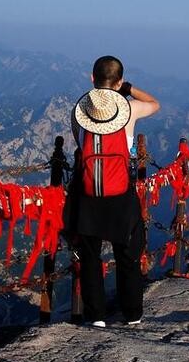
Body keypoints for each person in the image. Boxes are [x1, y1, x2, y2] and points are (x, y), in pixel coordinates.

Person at [67, 55, 160, 327]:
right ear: (118, 82)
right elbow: (155, 104)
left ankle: (95, 316)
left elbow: (81, 148)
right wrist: (128, 89)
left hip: (88, 195)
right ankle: (132, 314)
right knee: (128, 255)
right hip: (120, 195)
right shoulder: (129, 110)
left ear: (91, 79)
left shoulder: (79, 113)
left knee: (90, 257)